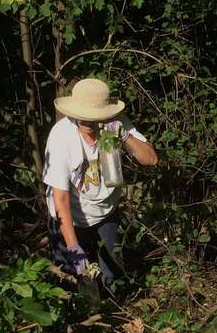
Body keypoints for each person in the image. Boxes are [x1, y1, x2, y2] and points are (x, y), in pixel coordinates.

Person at [43, 78, 158, 291]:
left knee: (111, 275)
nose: (89, 123)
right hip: (69, 218)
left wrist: (124, 136)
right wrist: (73, 246)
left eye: (94, 118)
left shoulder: (116, 123)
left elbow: (150, 158)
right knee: (68, 282)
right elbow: (60, 198)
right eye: (83, 118)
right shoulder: (61, 136)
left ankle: (113, 314)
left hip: (106, 212)